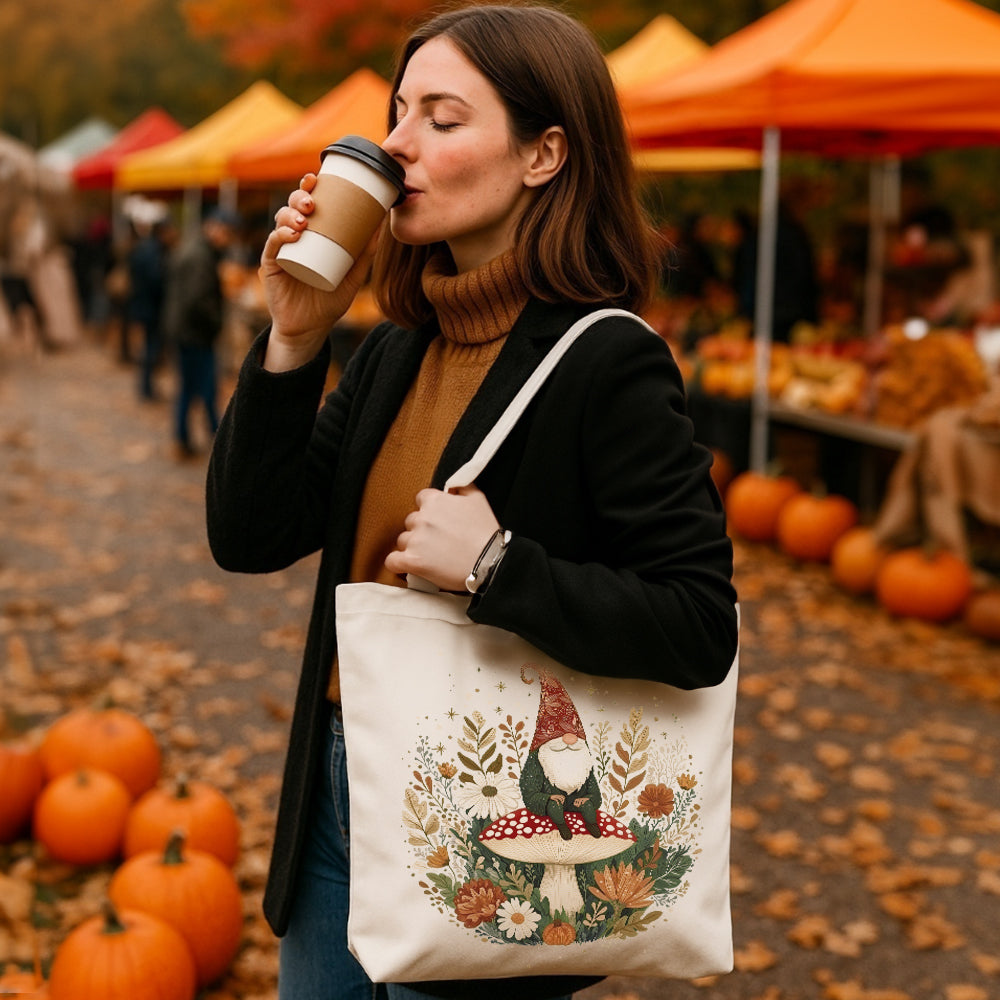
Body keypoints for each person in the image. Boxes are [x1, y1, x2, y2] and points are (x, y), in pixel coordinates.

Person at [206, 6, 738, 1000]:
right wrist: (294, 341)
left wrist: (499, 569)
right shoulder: (397, 347)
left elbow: (697, 621)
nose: (399, 145)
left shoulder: (606, 361)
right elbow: (248, 536)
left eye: (443, 120)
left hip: (480, 826)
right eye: (399, 112)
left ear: (543, 154)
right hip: (331, 800)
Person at [162, 207, 240, 458]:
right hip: (194, 333)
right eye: (225, 232)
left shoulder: (195, 250)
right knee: (197, 386)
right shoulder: (200, 256)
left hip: (186, 330)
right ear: (212, 227)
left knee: (197, 386)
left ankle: (208, 434)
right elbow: (197, 300)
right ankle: (191, 437)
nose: (226, 238)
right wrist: (216, 321)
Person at [128, 215, 176, 401]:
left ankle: (147, 386)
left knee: (149, 347)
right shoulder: (153, 252)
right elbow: (155, 280)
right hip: (151, 308)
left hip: (144, 305)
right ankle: (147, 387)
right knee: (151, 348)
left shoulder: (144, 248)